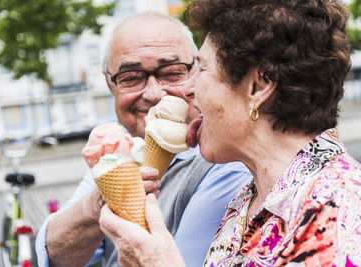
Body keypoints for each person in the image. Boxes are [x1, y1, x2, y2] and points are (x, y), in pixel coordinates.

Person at [99, 0, 361, 266]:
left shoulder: (339, 207)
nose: (187, 89)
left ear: (258, 87)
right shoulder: (247, 202)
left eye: (201, 68)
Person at [35, 12, 252, 267]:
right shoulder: (120, 149)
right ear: (110, 85)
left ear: (197, 72)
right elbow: (55, 256)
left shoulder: (223, 160)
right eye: (131, 77)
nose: (153, 94)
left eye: (172, 73)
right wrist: (100, 202)